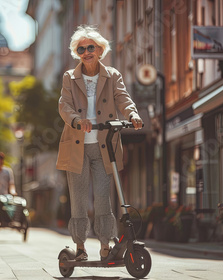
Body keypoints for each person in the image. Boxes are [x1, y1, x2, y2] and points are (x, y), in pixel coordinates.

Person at [56, 25, 143, 261]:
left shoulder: (113, 75)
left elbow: (122, 98)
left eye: (90, 47)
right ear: (77, 53)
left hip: (104, 145)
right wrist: (76, 120)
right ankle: (81, 247)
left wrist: (132, 114)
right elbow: (64, 105)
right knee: (79, 198)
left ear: (100, 49)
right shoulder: (69, 77)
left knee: (104, 198)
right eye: (81, 49)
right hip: (77, 145)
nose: (86, 52)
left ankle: (105, 245)